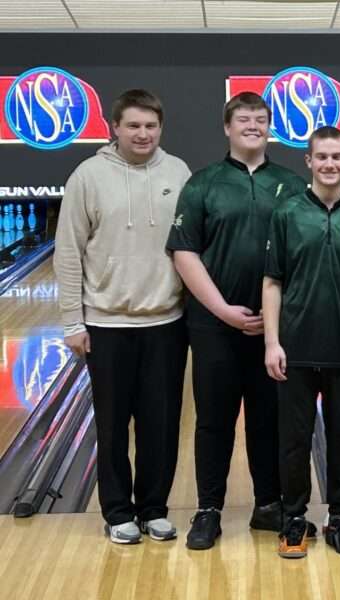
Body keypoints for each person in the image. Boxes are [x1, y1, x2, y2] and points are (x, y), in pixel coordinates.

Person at [166, 92, 307, 550]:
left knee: (268, 418)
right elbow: (183, 251)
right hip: (212, 325)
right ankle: (208, 510)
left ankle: (268, 503)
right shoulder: (203, 183)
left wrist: (278, 315)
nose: (253, 125)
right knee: (214, 419)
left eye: (261, 119)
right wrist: (222, 310)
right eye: (243, 119)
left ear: (270, 127)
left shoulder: (290, 183)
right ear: (226, 127)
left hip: (275, 326)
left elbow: (302, 254)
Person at [54, 89, 190, 544]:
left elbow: (190, 247)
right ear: (115, 127)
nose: (143, 134)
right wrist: (73, 321)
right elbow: (69, 252)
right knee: (112, 425)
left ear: (161, 128)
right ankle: (117, 513)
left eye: (151, 126)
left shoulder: (177, 172)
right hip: (107, 323)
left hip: (166, 321)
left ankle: (154, 509)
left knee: (162, 424)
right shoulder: (88, 176)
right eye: (133, 125)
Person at [264, 126, 340, 559]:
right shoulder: (288, 213)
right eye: (322, 157)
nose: (330, 164)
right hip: (295, 346)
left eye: (338, 157)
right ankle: (295, 518)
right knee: (294, 438)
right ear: (308, 162)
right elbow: (272, 282)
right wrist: (272, 342)